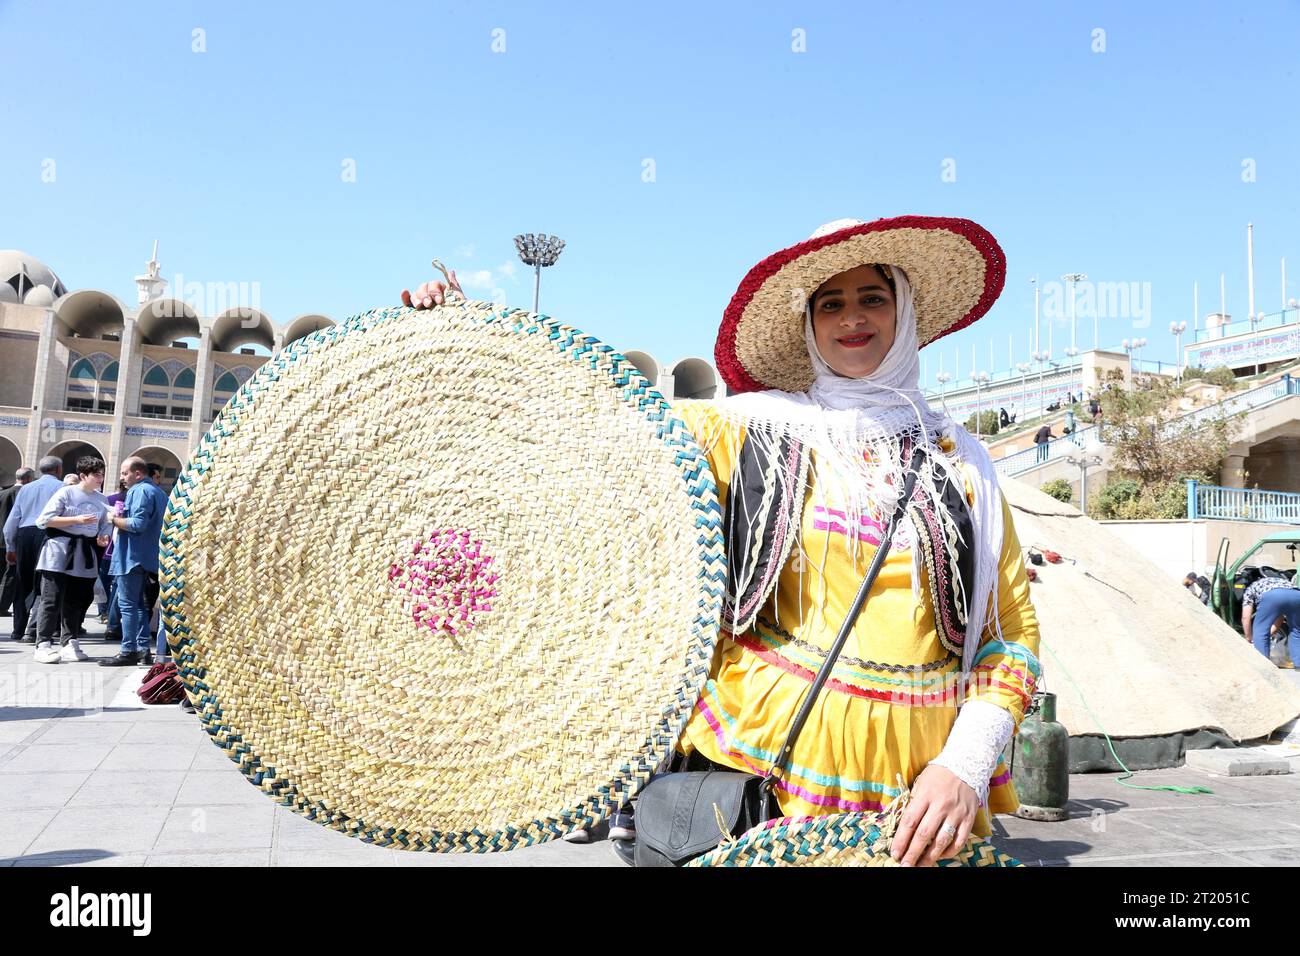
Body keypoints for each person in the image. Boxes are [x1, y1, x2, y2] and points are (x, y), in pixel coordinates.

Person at [405, 215, 1041, 867]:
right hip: (764, 774)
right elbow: (597, 419)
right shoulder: (747, 431)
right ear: (810, 325)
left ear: (903, 311)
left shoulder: (963, 465)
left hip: (918, 791)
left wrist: (963, 767)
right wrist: (469, 335)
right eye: (831, 303)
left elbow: (1011, 633)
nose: (851, 317)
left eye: (871, 298)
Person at [31, 456, 111, 663]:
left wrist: (103, 537)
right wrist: (76, 520)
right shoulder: (66, 492)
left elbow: (104, 526)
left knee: (77, 600)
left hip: (85, 554)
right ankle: (43, 643)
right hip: (58, 552)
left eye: (102, 474)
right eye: (96, 474)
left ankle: (69, 641)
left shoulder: (102, 500)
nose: (100, 478)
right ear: (83, 476)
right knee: (52, 598)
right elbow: (44, 520)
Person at [101, 456, 168, 667]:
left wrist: (113, 519)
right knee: (139, 605)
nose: (122, 478)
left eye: (124, 473)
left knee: (128, 604)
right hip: (148, 557)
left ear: (137, 474)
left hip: (132, 556)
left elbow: (137, 524)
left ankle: (128, 649)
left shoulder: (139, 491)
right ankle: (141, 649)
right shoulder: (158, 492)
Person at [3, 456, 64, 642]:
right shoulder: (63, 488)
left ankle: (18, 629)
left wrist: (10, 547)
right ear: (58, 470)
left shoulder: (26, 489)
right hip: (48, 533)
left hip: (24, 535)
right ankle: (34, 629)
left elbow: (12, 521)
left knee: (23, 583)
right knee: (45, 584)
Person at [1, 467, 37, 618]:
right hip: (12, 541)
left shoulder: (2, 493)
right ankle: (2, 605)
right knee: (11, 575)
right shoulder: (24, 494)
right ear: (29, 479)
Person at [1241, 576, 1300, 665]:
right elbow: (1279, 619)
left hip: (1272, 596)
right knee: (1297, 632)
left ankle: (1263, 666)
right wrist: (1270, 633)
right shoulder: (1281, 581)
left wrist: (1249, 637)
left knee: (1260, 631)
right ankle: (1298, 665)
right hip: (1297, 595)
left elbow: (1246, 617)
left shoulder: (1250, 589)